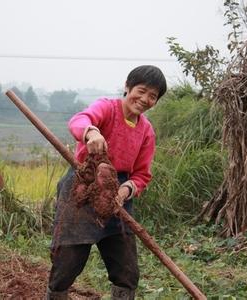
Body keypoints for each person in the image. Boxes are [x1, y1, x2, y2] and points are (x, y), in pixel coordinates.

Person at [46, 65, 167, 300]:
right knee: (67, 263)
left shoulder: (146, 131)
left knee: (127, 270)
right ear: (127, 87)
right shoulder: (107, 108)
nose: (144, 99)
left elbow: (142, 175)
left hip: (117, 195)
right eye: (141, 91)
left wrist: (124, 191)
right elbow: (80, 120)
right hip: (82, 188)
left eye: (153, 96)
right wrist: (92, 133)